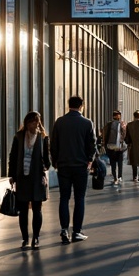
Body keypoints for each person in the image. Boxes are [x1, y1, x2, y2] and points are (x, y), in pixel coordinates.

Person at [49, 95, 95, 243]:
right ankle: (77, 231)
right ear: (82, 105)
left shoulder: (59, 122)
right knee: (79, 198)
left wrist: (55, 162)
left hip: (63, 165)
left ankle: (64, 230)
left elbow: (54, 144)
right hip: (80, 166)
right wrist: (89, 161)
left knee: (64, 197)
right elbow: (92, 146)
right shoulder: (87, 123)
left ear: (68, 105)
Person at [8, 111, 51, 249]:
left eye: (37, 122)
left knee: (37, 209)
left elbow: (47, 159)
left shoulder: (43, 137)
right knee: (23, 210)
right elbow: (13, 156)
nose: (35, 124)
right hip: (22, 177)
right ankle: (25, 238)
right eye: (32, 122)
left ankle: (36, 238)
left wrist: (46, 166)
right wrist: (12, 175)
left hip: (37, 177)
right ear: (26, 123)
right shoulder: (19, 136)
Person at [101, 110, 127, 186]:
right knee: (119, 163)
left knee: (113, 163)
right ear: (117, 116)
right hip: (119, 147)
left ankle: (115, 177)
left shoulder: (108, 124)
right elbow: (124, 134)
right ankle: (119, 177)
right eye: (119, 115)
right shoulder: (121, 124)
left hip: (111, 147)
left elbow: (104, 135)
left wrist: (105, 144)